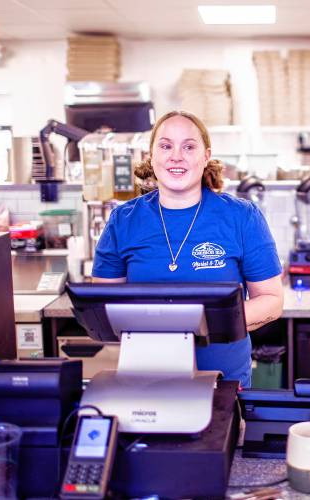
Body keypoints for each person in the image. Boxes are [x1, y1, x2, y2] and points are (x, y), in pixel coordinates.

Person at [92, 110, 284, 388]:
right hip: (146, 379)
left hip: (224, 381)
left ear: (206, 156)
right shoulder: (124, 221)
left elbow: (271, 300)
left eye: (189, 146)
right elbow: (105, 308)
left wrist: (205, 323)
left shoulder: (241, 216)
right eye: (166, 146)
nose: (176, 156)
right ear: (152, 155)